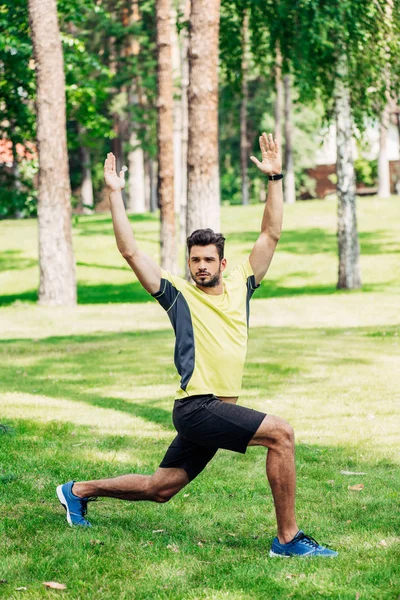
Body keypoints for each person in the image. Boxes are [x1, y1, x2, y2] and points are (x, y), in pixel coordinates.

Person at [57, 133, 337, 558]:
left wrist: (275, 177)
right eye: (195, 259)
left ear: (222, 262)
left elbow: (272, 232)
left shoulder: (243, 282)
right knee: (281, 434)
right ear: (188, 262)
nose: (201, 266)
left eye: (208, 259)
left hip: (215, 409)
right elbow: (130, 251)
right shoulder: (176, 295)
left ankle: (76, 491)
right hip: (197, 407)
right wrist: (115, 194)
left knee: (161, 488)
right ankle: (288, 540)